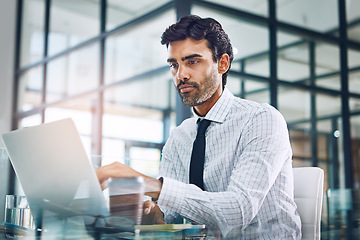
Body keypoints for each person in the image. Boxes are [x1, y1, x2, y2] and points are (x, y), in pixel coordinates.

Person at [96, 15, 301, 239]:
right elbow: (173, 214)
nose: (180, 75)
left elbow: (238, 210)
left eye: (192, 61)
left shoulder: (261, 119)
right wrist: (153, 215)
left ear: (222, 63)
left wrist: (151, 184)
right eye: (174, 65)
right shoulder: (180, 136)